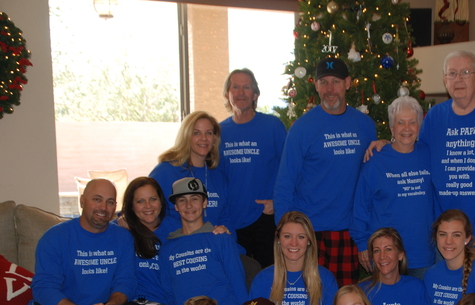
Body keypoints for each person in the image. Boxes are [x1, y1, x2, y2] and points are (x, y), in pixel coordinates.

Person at [367, 51, 475, 254]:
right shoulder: (435, 116)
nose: (458, 79)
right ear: (445, 80)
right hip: (442, 232)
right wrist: (387, 141)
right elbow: (414, 149)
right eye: (452, 73)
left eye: (465, 72)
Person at [273, 57, 377, 286]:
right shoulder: (301, 128)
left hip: (349, 232)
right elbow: (284, 183)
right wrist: (285, 234)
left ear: (348, 83)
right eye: (324, 82)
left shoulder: (365, 125)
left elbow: (372, 181)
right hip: (309, 233)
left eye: (336, 82)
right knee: (310, 302)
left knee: (345, 304)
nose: (330, 89)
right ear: (316, 85)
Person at [351, 96, 436, 278]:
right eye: (400, 123)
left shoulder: (429, 156)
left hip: (422, 253)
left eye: (412, 122)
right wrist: (362, 243)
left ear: (419, 127)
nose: (406, 128)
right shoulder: (375, 161)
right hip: (385, 257)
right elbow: (361, 206)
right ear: (391, 128)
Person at [159, 177, 248, 305]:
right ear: (176, 207)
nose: (189, 205)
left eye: (195, 199)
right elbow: (169, 293)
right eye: (182, 200)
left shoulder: (221, 238)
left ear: (205, 203)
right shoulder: (167, 248)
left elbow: (238, 284)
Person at [219, 69, 286, 268]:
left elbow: (290, 169)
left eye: (246, 87)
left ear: (255, 94)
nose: (241, 93)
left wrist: (277, 202)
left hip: (264, 217)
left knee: (268, 280)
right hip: (230, 220)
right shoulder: (218, 132)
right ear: (227, 94)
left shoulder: (272, 126)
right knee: (240, 279)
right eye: (235, 87)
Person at [120, 177, 179, 305]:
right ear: (131, 206)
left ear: (161, 201)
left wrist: (218, 230)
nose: (148, 206)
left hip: (174, 304)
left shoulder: (177, 227)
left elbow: (202, 236)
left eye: (153, 199)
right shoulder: (121, 231)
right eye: (140, 201)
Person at [150, 111, 230, 229]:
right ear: (186, 136)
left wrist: (225, 231)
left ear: (214, 138)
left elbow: (226, 218)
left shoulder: (218, 175)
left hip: (212, 244)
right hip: (174, 244)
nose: (204, 138)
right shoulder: (164, 172)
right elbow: (144, 206)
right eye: (196, 133)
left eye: (208, 133)